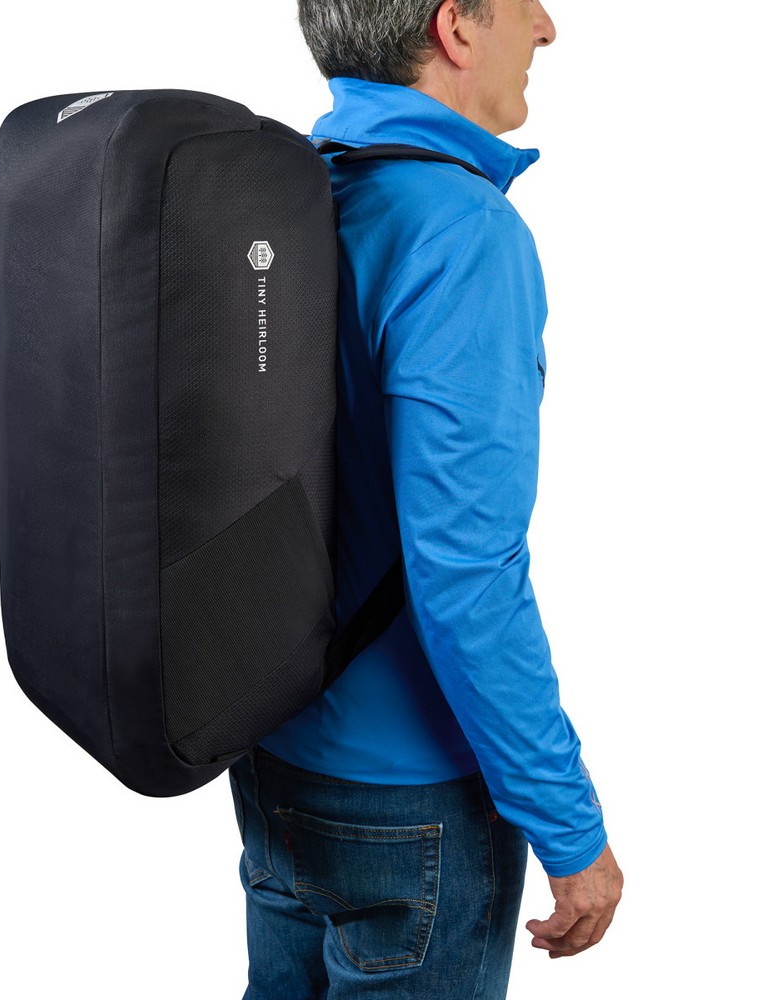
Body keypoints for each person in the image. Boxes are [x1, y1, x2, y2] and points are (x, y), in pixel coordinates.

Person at [228, 2, 624, 996]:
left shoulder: (290, 198)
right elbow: (468, 575)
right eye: (525, 0)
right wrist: (568, 825)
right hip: (411, 804)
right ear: (455, 27)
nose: (547, 28)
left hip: (271, 750)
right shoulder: (463, 233)